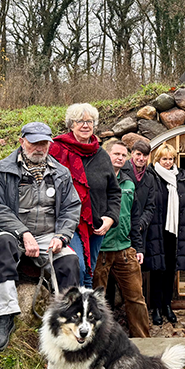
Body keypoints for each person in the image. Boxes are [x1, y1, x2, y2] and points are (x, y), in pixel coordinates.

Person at [0, 122, 82, 352]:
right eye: (34, 142)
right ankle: (3, 317)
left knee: (70, 261)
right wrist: (23, 233)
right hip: (12, 233)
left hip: (48, 235)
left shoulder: (60, 173)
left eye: (44, 143)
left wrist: (62, 235)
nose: (39, 147)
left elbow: (71, 208)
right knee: (2, 245)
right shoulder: (1, 170)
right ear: (21, 141)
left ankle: (67, 323)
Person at [49, 103, 121, 288]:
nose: (85, 125)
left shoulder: (102, 155)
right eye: (80, 121)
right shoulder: (57, 150)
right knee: (79, 267)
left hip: (96, 226)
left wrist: (111, 218)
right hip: (67, 223)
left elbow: (114, 191)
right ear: (70, 124)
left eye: (90, 121)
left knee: (89, 272)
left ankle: (85, 316)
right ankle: (74, 310)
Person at [92, 140, 150, 338]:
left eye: (123, 155)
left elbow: (134, 217)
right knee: (96, 300)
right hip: (100, 249)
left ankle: (143, 341)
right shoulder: (97, 180)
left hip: (125, 249)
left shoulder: (129, 182)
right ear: (106, 155)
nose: (120, 158)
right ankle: (96, 342)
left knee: (136, 297)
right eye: (116, 154)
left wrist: (138, 247)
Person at [143, 144, 185, 326]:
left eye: (171, 159)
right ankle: (156, 307)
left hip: (175, 231)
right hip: (157, 230)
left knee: (171, 269)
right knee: (158, 270)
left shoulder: (180, 178)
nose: (168, 162)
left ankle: (167, 305)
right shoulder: (151, 176)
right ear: (157, 160)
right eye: (164, 159)